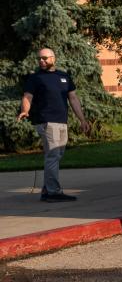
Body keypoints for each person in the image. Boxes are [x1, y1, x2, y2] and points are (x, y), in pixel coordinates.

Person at [17, 47, 91, 202]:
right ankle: (53, 192)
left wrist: (82, 119)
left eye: (45, 58)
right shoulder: (35, 78)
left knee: (57, 155)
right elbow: (27, 96)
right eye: (39, 59)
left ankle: (46, 189)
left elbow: (73, 98)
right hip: (46, 121)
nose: (41, 61)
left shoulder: (63, 76)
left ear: (53, 58)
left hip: (62, 121)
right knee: (53, 155)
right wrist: (25, 110)